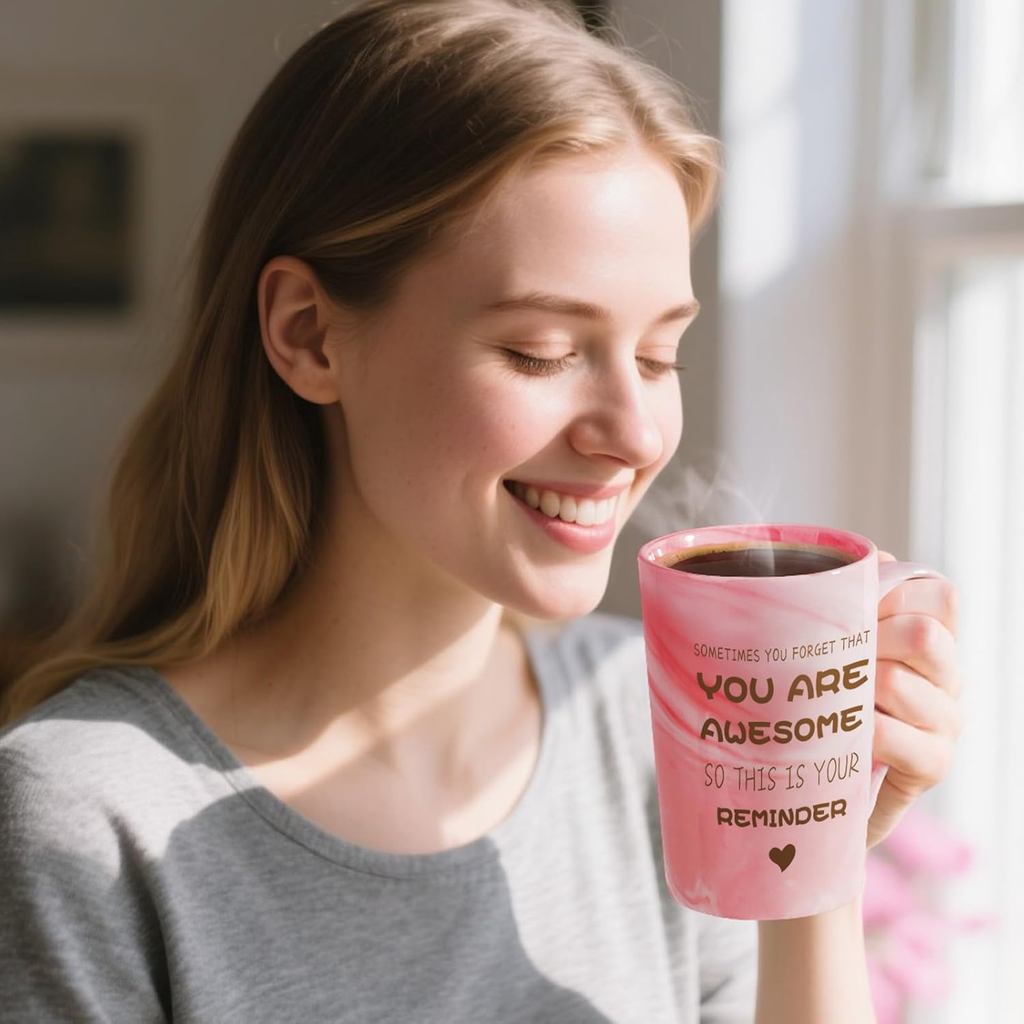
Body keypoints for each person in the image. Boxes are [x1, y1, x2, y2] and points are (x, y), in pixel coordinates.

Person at [0, 1, 963, 1021]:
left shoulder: (652, 725)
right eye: (541, 352)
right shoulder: (88, 815)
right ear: (309, 335)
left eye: (657, 355)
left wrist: (809, 841)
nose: (633, 432)